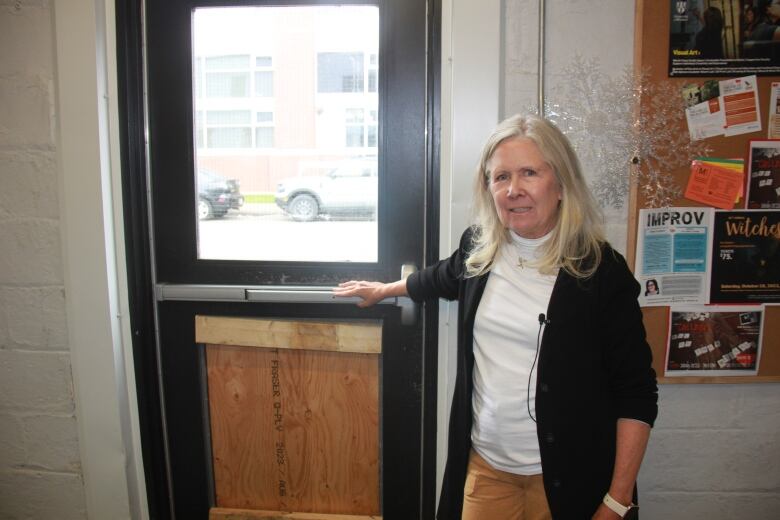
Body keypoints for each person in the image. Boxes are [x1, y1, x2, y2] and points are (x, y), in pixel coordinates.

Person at [334, 114, 658, 519]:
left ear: (560, 183)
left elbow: (637, 394)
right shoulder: (479, 249)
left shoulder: (601, 272)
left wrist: (617, 500)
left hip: (571, 480)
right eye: (500, 177)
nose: (514, 190)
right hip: (487, 470)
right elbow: (442, 276)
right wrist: (385, 290)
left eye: (529, 173)